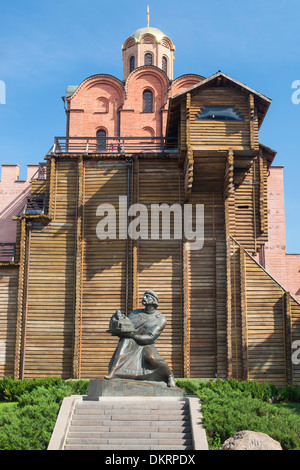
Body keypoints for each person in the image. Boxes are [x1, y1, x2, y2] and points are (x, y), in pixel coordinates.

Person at [105, 290, 176, 387]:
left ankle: (169, 375)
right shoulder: (135, 313)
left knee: (152, 358)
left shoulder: (160, 318)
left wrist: (132, 335)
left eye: (147, 297)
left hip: (146, 344)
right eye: (144, 296)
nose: (144, 298)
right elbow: (127, 326)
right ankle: (113, 372)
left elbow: (150, 338)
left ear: (154, 300)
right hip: (131, 341)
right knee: (124, 342)